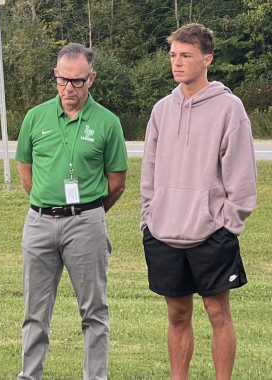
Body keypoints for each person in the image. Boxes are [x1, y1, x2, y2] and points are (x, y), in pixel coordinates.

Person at [140, 23, 257, 380]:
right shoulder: (161, 109)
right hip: (164, 232)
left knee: (218, 314)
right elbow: (150, 170)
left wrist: (228, 224)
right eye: (173, 55)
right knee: (177, 315)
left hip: (211, 234)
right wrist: (149, 216)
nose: (177, 63)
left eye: (186, 56)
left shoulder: (229, 108)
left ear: (207, 58)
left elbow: (241, 176)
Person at [14, 43, 128, 380]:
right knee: (35, 312)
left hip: (86, 223)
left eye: (77, 81)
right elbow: (25, 170)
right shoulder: (36, 116)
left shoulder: (108, 122)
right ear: (55, 76)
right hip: (39, 221)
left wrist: (88, 211)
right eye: (63, 80)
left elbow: (117, 182)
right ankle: (29, 375)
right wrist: (46, 203)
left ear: (91, 79)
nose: (69, 88)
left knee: (93, 311)